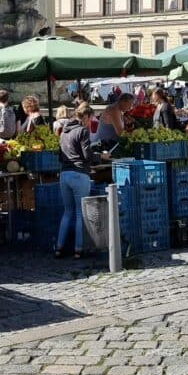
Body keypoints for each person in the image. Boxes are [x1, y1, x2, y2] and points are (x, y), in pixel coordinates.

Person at [56, 103, 108, 259]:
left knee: (67, 213)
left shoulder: (63, 132)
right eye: (90, 119)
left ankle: (59, 247)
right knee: (80, 214)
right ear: (85, 117)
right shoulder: (82, 131)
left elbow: (60, 156)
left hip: (64, 175)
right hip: (79, 175)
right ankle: (78, 249)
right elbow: (87, 156)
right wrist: (101, 156)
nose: (90, 122)